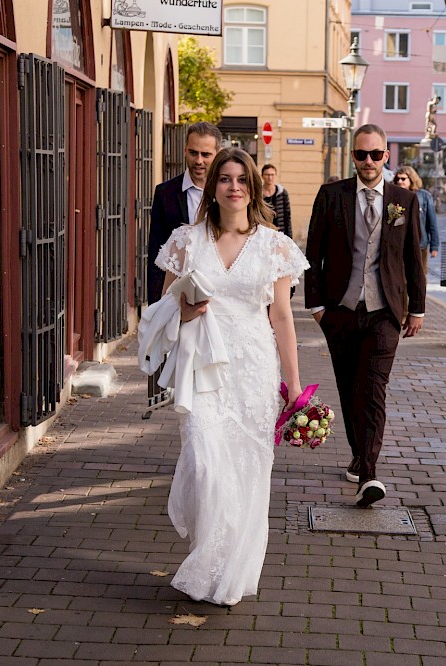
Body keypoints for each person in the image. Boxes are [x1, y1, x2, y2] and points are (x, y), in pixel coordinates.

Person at [149, 147, 309, 606]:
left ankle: (228, 570)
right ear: (213, 186)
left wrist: (294, 386)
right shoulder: (186, 240)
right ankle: (209, 551)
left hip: (255, 368)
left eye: (242, 179)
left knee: (248, 470)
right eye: (225, 178)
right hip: (203, 368)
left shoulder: (274, 245)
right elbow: (164, 307)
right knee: (204, 460)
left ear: (253, 187)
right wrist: (184, 308)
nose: (233, 186)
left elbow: (281, 317)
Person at [305, 124, 427, 507]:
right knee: (347, 387)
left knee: (372, 389)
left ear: (387, 156)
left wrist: (417, 309)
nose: (369, 161)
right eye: (362, 155)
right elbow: (314, 254)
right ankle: (360, 456)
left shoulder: (403, 201)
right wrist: (317, 307)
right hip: (340, 311)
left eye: (376, 154)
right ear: (353, 156)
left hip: (385, 312)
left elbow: (413, 258)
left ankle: (369, 475)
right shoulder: (331, 195)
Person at [147, 122, 223, 303]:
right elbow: (157, 253)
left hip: (221, 294)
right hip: (177, 295)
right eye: (193, 152)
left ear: (217, 155)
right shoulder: (165, 193)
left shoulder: (230, 192)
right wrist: (155, 307)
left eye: (206, 155)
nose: (199, 161)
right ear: (185, 150)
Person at [393, 166, 439, 272]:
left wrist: (434, 246)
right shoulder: (393, 196)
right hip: (399, 245)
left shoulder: (424, 196)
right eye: (397, 179)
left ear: (411, 179)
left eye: (403, 179)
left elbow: (432, 222)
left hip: (420, 245)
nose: (400, 182)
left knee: (419, 277)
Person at [261, 164, 292, 239]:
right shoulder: (257, 194)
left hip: (280, 232)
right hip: (263, 233)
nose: (270, 177)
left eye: (272, 175)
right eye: (267, 175)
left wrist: (289, 237)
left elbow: (287, 216)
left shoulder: (282, 193)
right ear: (262, 176)